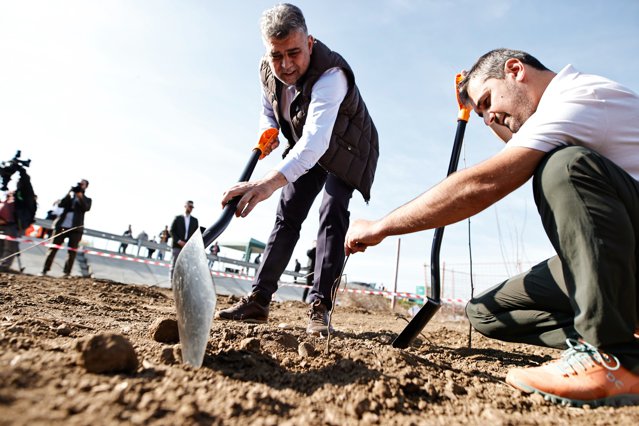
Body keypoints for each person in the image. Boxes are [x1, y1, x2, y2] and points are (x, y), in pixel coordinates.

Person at [345, 48, 639, 406]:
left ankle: (611, 356)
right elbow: (515, 140)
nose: (490, 120)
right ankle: (618, 335)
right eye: (482, 116)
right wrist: (488, 107)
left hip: (630, 247)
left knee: (562, 167)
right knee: (485, 312)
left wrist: (381, 227)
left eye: (487, 101)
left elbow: (481, 184)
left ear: (515, 70)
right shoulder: (554, 117)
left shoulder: (577, 98)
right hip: (622, 256)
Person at [216, 3, 379, 335]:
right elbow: (269, 107)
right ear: (268, 50)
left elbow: (316, 142)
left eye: (294, 53)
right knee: (287, 213)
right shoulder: (267, 69)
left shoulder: (331, 75)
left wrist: (265, 183)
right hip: (308, 144)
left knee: (331, 213)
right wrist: (270, 130)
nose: (286, 65)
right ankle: (259, 301)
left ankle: (320, 309)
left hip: (347, 149)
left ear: (310, 42)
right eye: (277, 56)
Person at [42, 179, 91, 277]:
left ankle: (67, 272)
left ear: (86, 186)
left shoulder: (87, 199)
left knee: (72, 251)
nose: (80, 185)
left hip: (75, 229)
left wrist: (80, 196)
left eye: (82, 184)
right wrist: (69, 192)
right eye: (79, 183)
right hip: (61, 226)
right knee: (53, 248)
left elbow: (86, 208)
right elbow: (61, 204)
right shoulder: (70, 197)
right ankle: (44, 270)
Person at [169, 200, 199, 279]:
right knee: (174, 266)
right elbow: (171, 230)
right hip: (176, 246)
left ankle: (181, 286)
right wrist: (179, 241)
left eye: (192, 207)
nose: (191, 208)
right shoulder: (177, 218)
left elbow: (196, 235)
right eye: (189, 206)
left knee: (185, 268)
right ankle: (172, 284)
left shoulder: (195, 221)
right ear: (185, 206)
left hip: (188, 248)